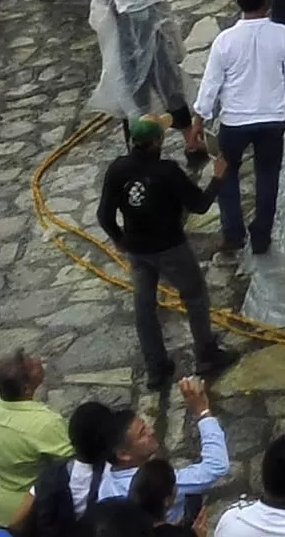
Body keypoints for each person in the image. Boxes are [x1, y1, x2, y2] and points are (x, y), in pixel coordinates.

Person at [99, 115, 230, 385]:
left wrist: (118, 238)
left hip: (137, 250)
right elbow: (200, 205)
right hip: (170, 247)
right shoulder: (167, 172)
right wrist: (217, 178)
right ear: (158, 140)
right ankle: (206, 353)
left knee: (144, 307)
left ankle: (156, 369)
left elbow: (104, 214)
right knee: (195, 296)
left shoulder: (117, 169)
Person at [196, 0, 285, 261]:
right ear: (267, 3)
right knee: (268, 176)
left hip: (234, 121)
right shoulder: (282, 34)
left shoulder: (225, 41)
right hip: (272, 119)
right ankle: (261, 235)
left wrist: (201, 116)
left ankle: (232, 233)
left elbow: (211, 82)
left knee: (226, 175)